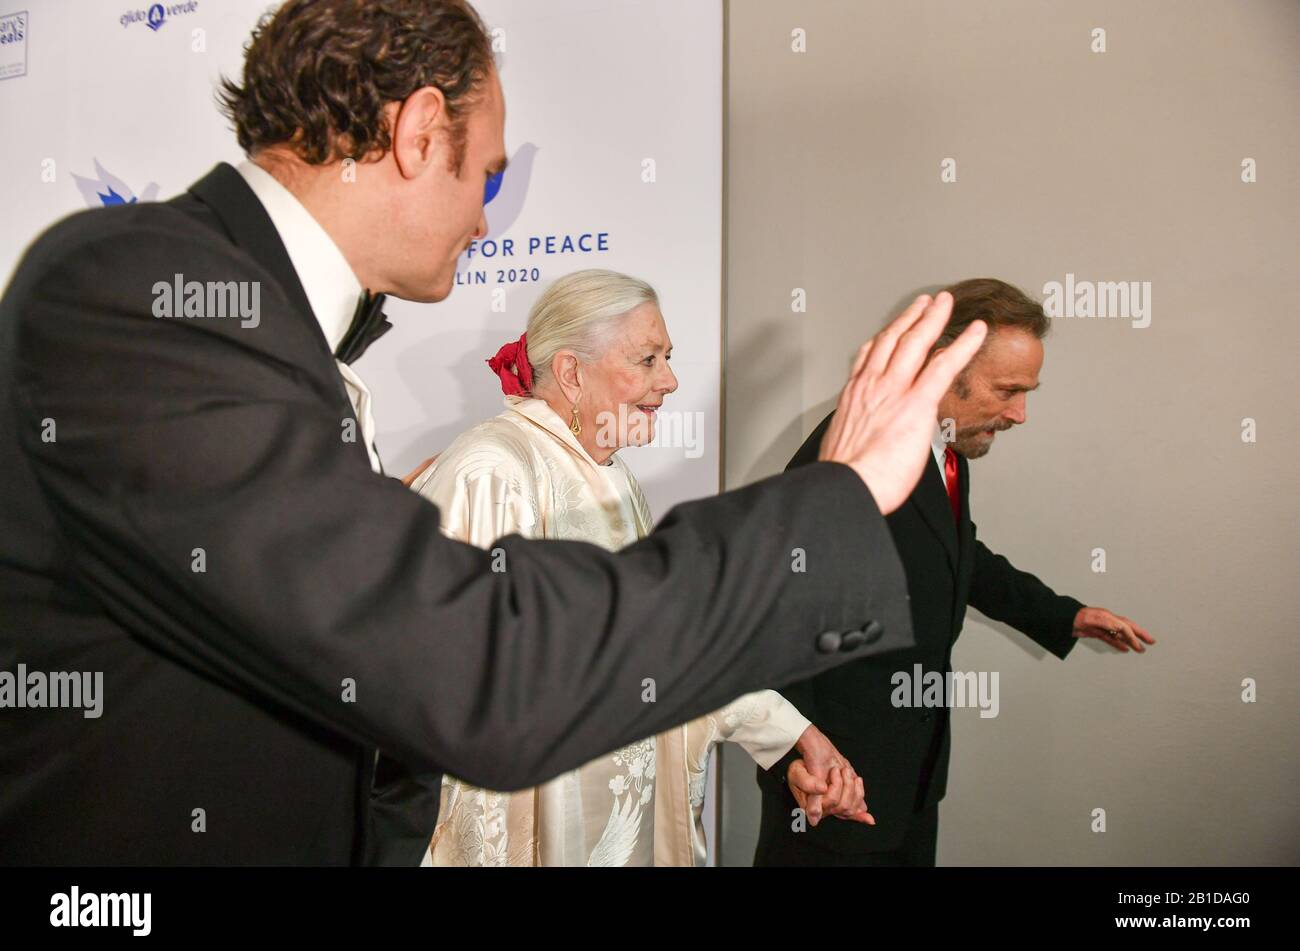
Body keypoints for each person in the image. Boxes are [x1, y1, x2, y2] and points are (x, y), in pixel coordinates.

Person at [0, 0, 986, 864]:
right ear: (421, 130)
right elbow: (474, 663)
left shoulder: (265, 332)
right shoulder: (141, 292)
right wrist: (833, 503)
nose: (486, 219)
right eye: (487, 174)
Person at [413, 270, 872, 866]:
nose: (671, 380)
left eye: (668, 357)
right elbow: (448, 685)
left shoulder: (614, 476)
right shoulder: (492, 471)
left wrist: (792, 737)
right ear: (574, 373)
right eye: (648, 359)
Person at [755, 278, 1156, 867]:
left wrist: (1065, 615)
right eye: (1007, 390)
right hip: (832, 795)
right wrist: (796, 751)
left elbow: (960, 555)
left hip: (909, 782)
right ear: (946, 366)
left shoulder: (945, 446)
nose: (1020, 414)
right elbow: (772, 604)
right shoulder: (855, 450)